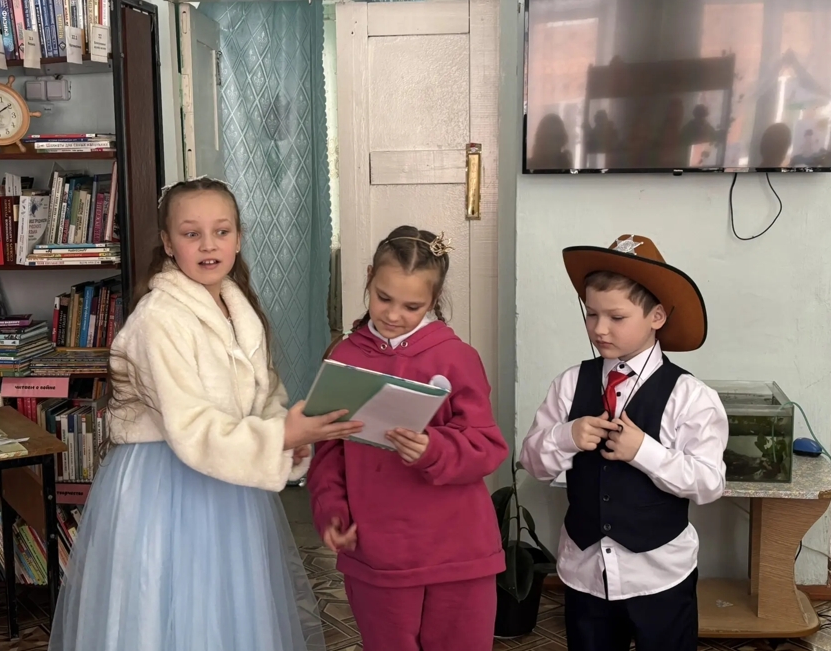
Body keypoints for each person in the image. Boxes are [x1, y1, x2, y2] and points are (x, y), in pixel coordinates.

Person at [48, 177, 362, 651]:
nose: (209, 244)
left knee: (229, 606)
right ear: (168, 243)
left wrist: (286, 434)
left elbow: (263, 392)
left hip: (230, 478)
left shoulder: (238, 307)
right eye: (191, 233)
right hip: (164, 483)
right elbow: (191, 427)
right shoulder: (158, 319)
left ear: (238, 238)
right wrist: (278, 437)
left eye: (222, 231)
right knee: (170, 607)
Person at [519, 234, 728, 651]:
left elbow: (709, 483)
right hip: (584, 573)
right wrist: (566, 436)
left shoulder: (691, 396)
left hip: (660, 575)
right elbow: (532, 462)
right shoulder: (569, 384)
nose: (599, 329)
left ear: (656, 316)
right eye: (591, 314)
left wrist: (645, 452)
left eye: (616, 317)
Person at [307, 225, 508, 651]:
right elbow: (327, 451)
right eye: (383, 298)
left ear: (434, 300)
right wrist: (331, 510)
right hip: (378, 554)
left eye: (412, 305)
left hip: (459, 551)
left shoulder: (457, 358)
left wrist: (434, 449)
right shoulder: (344, 356)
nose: (394, 314)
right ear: (368, 278)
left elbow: (487, 446)